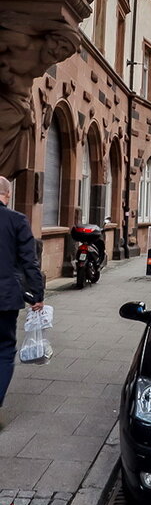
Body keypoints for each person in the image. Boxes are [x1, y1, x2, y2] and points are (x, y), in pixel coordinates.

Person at [0, 176, 44, 413]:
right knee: (4, 349)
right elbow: (30, 261)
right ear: (7, 194)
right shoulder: (17, 220)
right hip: (5, 297)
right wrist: (37, 294)